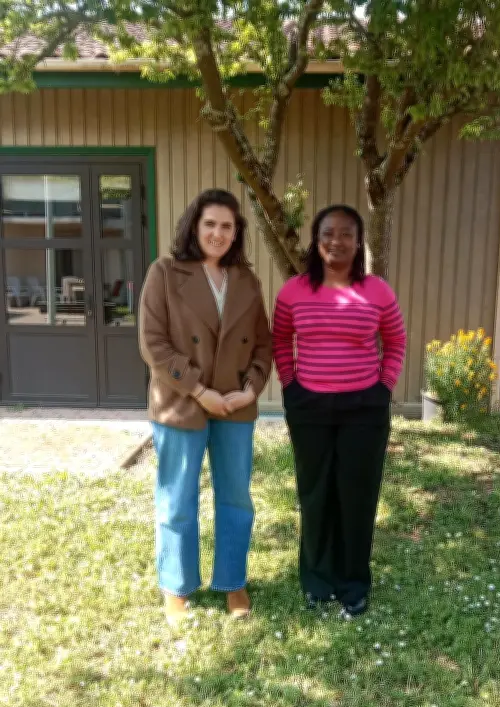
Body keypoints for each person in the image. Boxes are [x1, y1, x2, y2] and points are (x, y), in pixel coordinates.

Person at [139, 189, 272, 624]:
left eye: (227, 226)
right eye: (210, 223)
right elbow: (153, 344)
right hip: (182, 405)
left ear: (237, 233)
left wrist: (251, 390)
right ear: (194, 226)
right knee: (178, 498)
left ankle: (233, 581)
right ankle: (176, 586)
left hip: (234, 405)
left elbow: (264, 345)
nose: (218, 233)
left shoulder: (247, 280)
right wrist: (198, 390)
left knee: (236, 497)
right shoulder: (164, 272)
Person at [273, 204, 406, 618]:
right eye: (328, 232)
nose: (337, 241)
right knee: (315, 494)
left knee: (357, 495)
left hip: (363, 407)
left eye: (347, 233)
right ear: (316, 239)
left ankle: (353, 584)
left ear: (359, 240)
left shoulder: (378, 291)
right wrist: (291, 387)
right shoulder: (293, 291)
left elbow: (396, 342)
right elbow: (280, 342)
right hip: (309, 405)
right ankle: (316, 580)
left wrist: (383, 388)